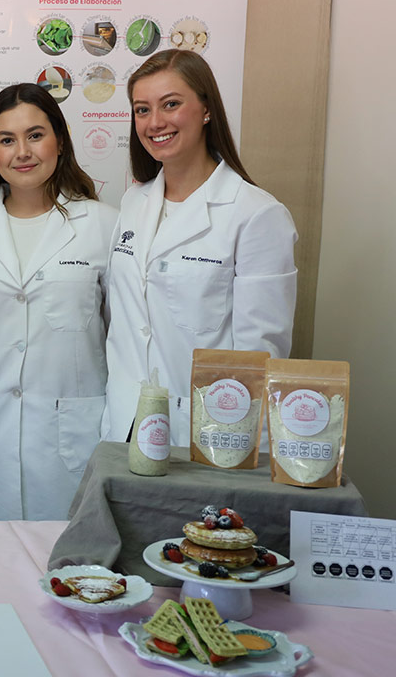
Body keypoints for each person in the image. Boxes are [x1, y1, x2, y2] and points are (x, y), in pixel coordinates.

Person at [102, 49, 297, 445]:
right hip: (124, 426)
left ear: (206, 109)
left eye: (170, 104)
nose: (155, 122)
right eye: (142, 110)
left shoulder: (256, 215)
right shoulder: (134, 202)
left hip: (201, 433)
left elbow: (259, 359)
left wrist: (230, 451)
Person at [0, 83, 117, 521]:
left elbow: (118, 333)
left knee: (70, 555)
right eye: (7, 140)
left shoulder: (103, 225)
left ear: (60, 141)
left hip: (71, 440)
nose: (22, 152)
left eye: (35, 135)